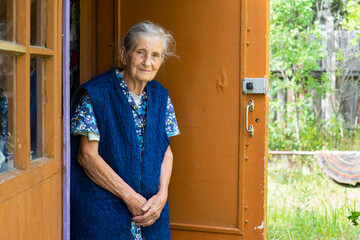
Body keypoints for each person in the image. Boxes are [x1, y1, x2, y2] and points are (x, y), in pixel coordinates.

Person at [70, 21, 180, 240]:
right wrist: (130, 197)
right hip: (104, 213)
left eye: (155, 55)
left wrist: (162, 196)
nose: (148, 62)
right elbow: (87, 156)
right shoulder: (97, 93)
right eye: (141, 52)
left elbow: (165, 150)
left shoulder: (161, 96)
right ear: (124, 54)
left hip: (150, 213)